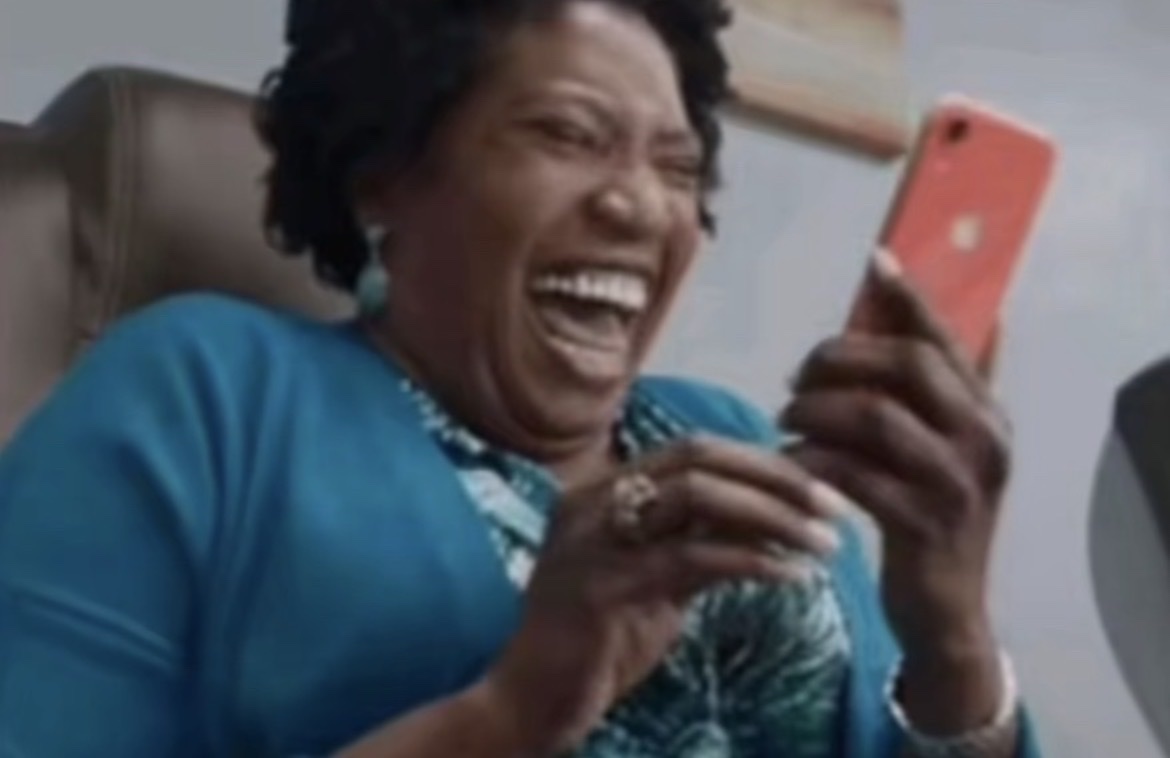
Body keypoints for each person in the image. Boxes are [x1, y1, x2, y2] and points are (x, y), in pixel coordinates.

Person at [0, 0, 1040, 756]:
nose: (639, 205)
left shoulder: (733, 438)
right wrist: (509, 713)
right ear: (383, 176)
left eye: (678, 167)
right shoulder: (203, 396)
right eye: (568, 136)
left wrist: (951, 634)